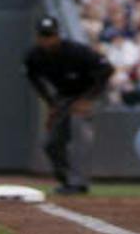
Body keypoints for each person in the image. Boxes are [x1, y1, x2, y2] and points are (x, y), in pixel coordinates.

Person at [24, 15, 111, 196]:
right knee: (51, 143)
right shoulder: (34, 56)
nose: (47, 40)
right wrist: (50, 103)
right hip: (63, 97)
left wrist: (88, 99)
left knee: (79, 135)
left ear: (58, 35)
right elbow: (33, 78)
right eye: (44, 36)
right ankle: (66, 181)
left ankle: (79, 183)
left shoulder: (77, 51)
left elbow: (106, 69)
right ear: (38, 37)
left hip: (88, 93)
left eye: (51, 35)